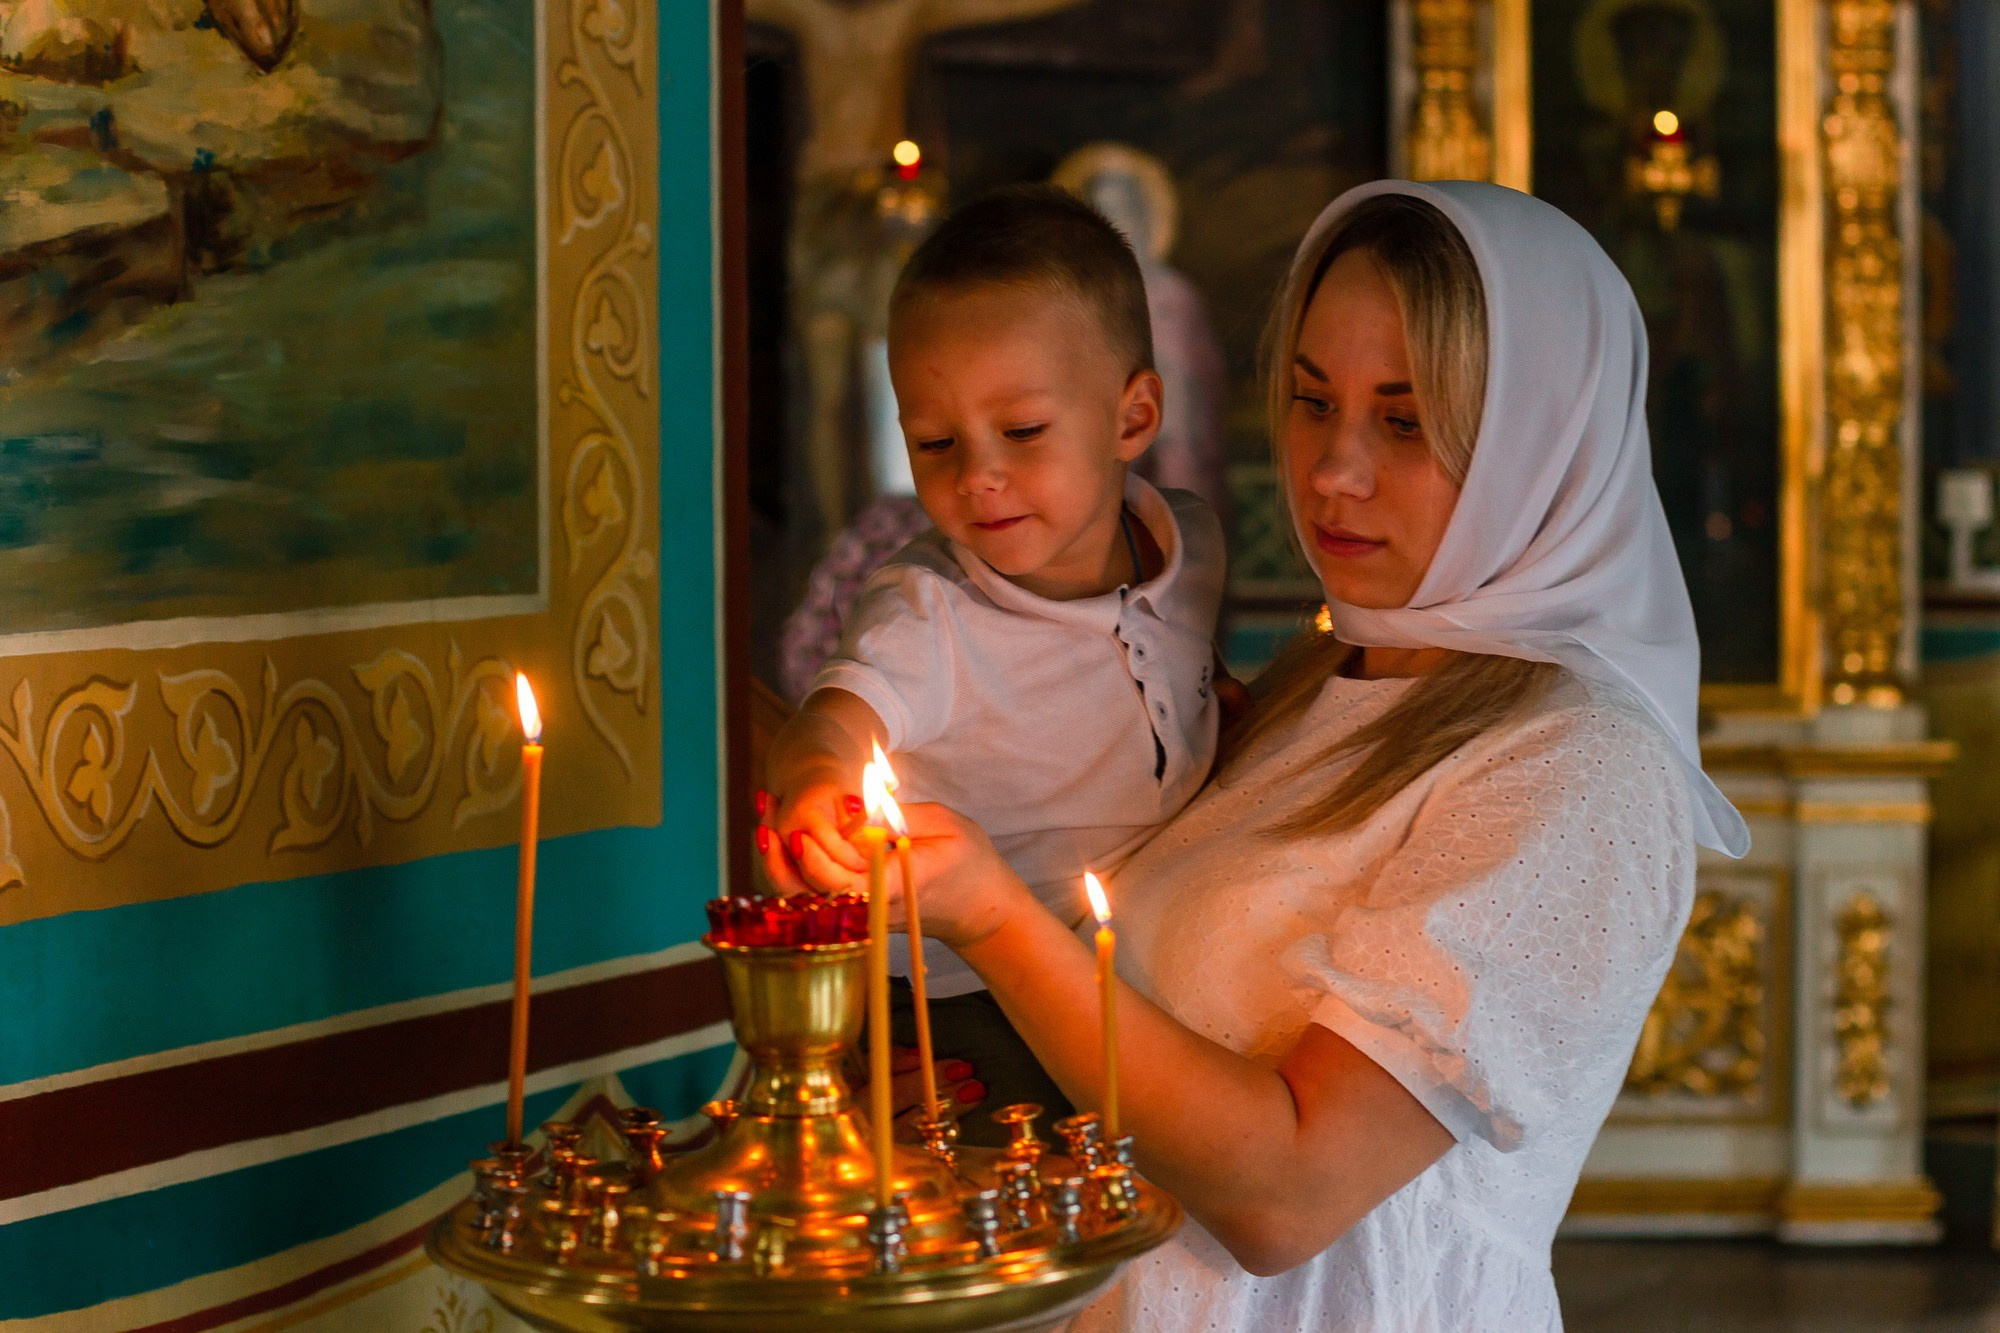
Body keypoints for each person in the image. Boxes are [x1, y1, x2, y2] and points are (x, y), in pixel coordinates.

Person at [778, 179, 1749, 1330]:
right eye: (1308, 400)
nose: (1331, 470)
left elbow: (1285, 1197)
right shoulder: (1316, 683)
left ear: (1540, 437)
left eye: (1403, 418)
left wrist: (989, 923)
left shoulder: (1576, 766)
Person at [759, 186, 1228, 1144]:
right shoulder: (930, 607)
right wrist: (815, 783)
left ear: (1133, 416)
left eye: (1021, 432)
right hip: (969, 1008)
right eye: (934, 443)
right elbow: (837, 717)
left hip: (1141, 976)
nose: (977, 476)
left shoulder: (1193, 548)